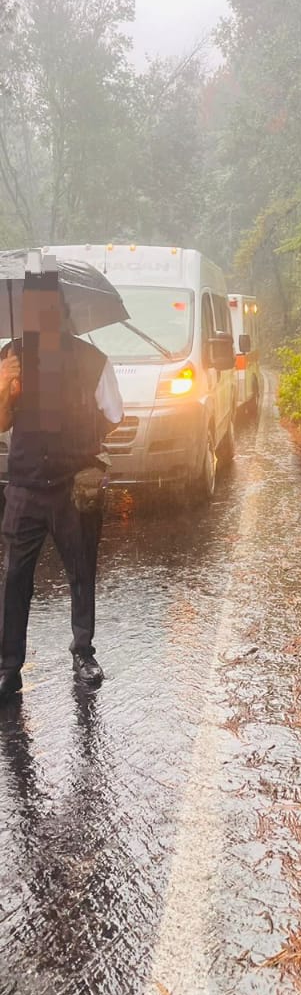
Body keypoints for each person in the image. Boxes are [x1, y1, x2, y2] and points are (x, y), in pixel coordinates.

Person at [0, 293, 123, 703]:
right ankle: (8, 667)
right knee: (15, 578)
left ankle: (83, 652)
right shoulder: (10, 356)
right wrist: (4, 383)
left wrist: (82, 438)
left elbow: (114, 414)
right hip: (24, 486)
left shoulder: (93, 360)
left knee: (80, 570)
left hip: (73, 486)